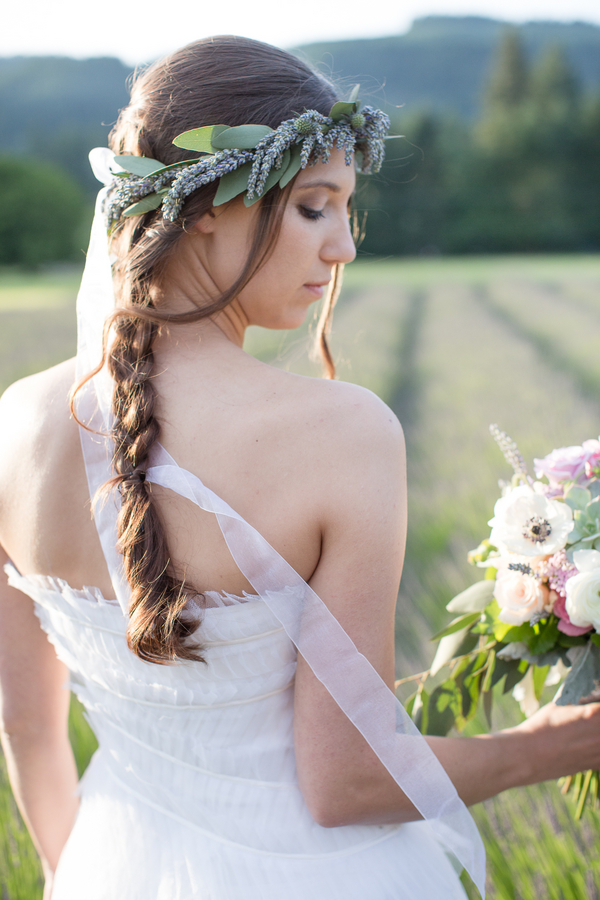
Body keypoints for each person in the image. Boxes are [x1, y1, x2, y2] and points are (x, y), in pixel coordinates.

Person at [1, 35, 600, 900]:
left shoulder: (16, 419)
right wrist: (547, 745)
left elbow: (27, 724)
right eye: (316, 207)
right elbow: (345, 782)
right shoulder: (341, 432)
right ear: (207, 202)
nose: (343, 249)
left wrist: (81, 876)